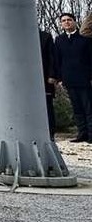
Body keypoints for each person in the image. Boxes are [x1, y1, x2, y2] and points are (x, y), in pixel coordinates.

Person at [51, 12, 92, 143]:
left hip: (85, 78)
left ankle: (91, 134)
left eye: (69, 20)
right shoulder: (59, 40)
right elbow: (57, 60)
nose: (66, 22)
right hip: (69, 79)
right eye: (63, 20)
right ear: (61, 24)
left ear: (74, 22)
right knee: (77, 108)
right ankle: (82, 133)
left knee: (89, 107)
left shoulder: (85, 39)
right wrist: (59, 78)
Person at [39, 26, 57, 139]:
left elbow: (52, 57)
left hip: (44, 77)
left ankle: (50, 133)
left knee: (47, 106)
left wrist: (52, 75)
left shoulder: (45, 36)